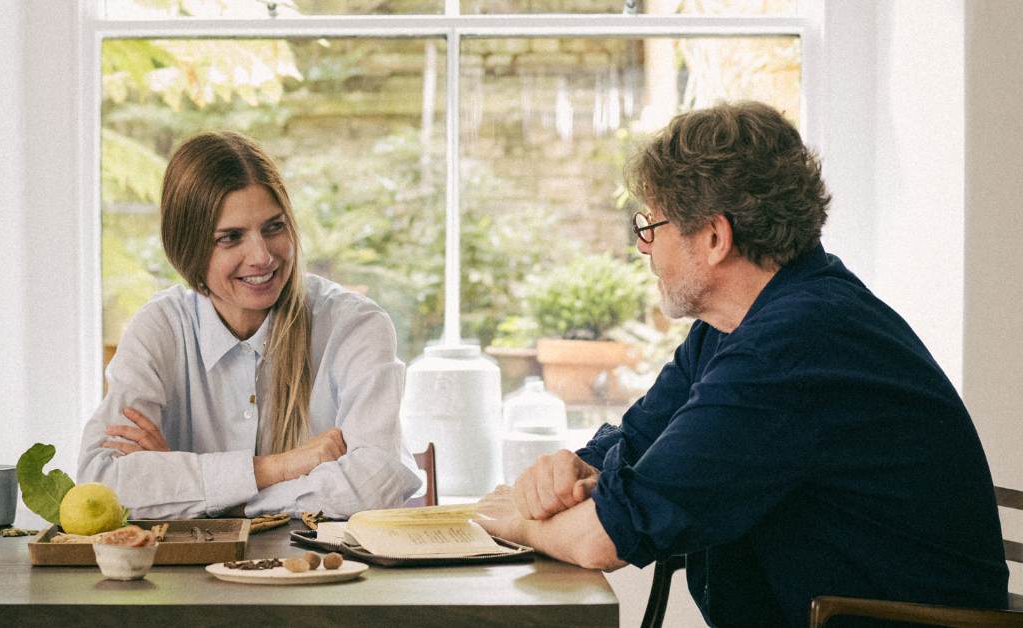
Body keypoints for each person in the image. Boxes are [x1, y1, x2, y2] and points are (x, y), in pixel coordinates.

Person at [476, 101, 1008, 627]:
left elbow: (604, 539)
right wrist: (571, 468)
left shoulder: (793, 347)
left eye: (650, 226)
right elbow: (633, 445)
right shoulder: (731, 330)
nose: (643, 248)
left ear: (714, 237)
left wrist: (518, 522)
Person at [78, 131, 421, 520]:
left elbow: (374, 485)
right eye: (231, 238)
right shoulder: (160, 329)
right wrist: (281, 467)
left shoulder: (354, 325)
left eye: (274, 227)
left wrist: (202, 492)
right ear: (186, 247)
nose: (261, 256)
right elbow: (101, 481)